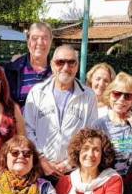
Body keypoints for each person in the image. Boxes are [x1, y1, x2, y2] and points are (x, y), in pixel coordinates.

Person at [24, 45, 98, 181]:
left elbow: (90, 133)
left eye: (71, 62)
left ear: (77, 66)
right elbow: (27, 129)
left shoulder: (88, 96)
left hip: (73, 172)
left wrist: (69, 163)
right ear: (52, 65)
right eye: (60, 62)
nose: (66, 67)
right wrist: (41, 159)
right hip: (39, 169)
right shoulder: (37, 92)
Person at [93, 72, 132, 179]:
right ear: (109, 95)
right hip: (107, 183)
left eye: (127, 96)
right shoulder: (99, 125)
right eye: (117, 94)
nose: (121, 99)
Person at [4, 22, 53, 108]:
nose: (40, 42)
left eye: (45, 38)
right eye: (35, 38)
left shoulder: (58, 70)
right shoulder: (12, 70)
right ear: (28, 41)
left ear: (51, 40)